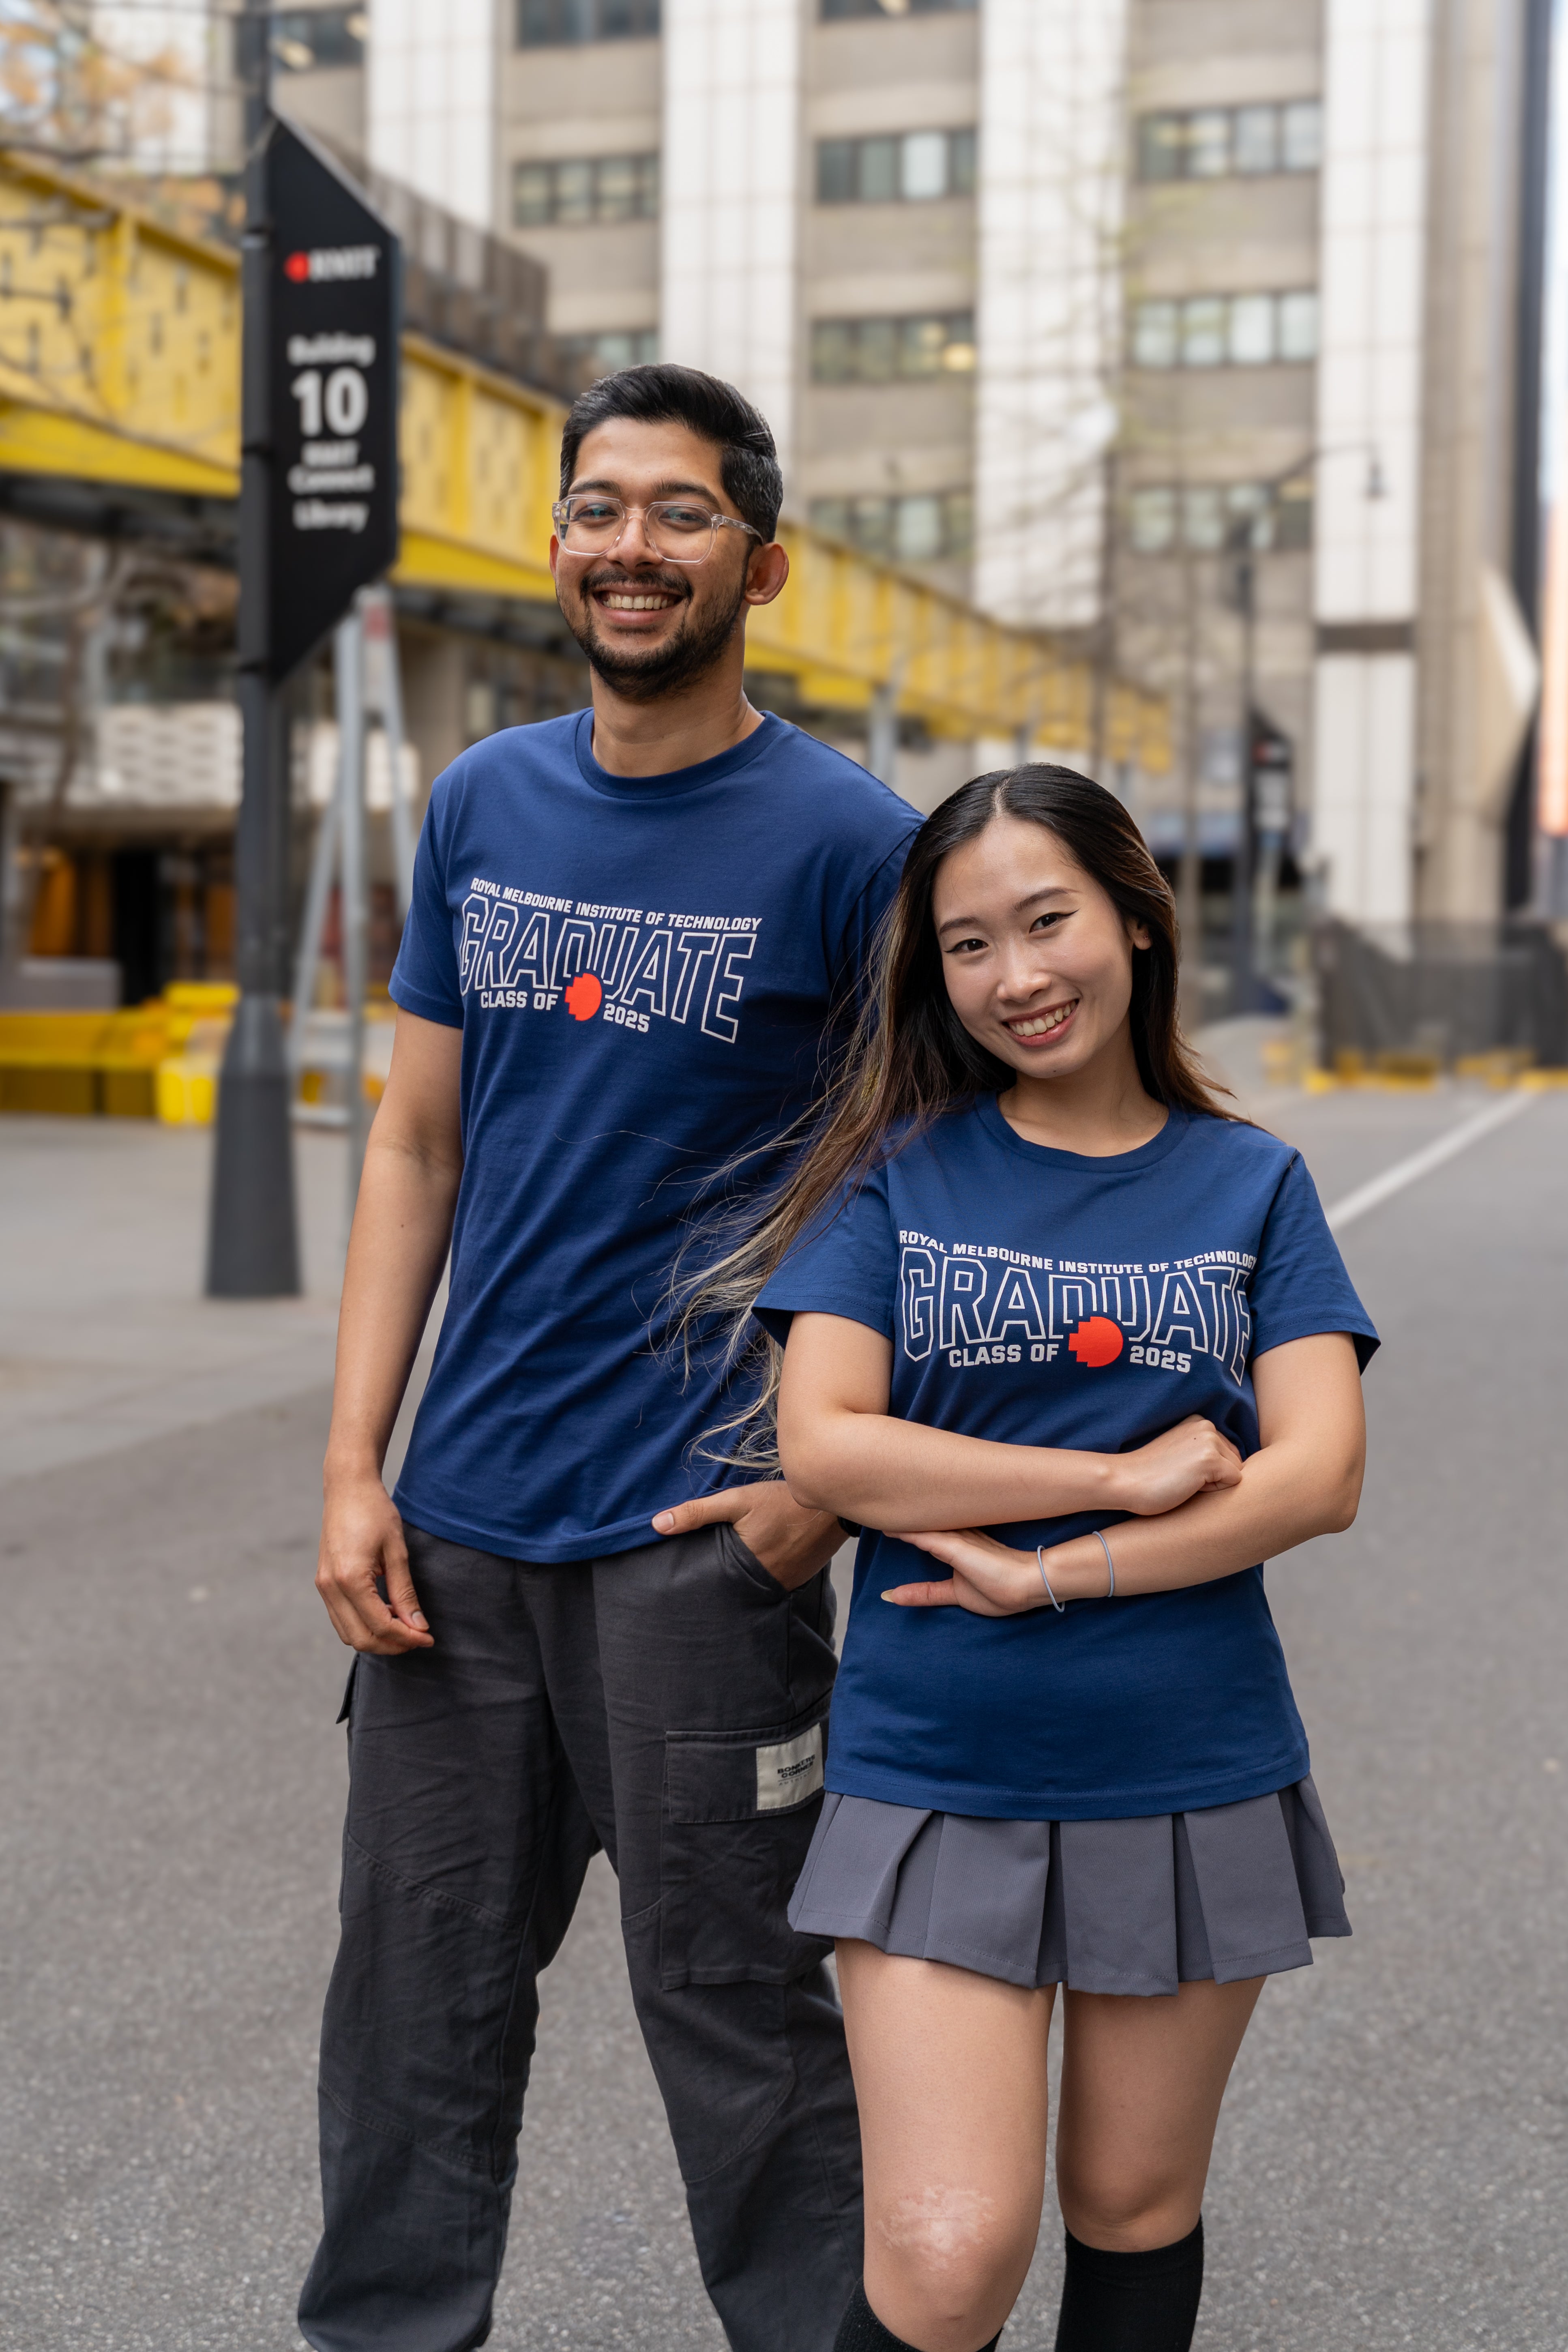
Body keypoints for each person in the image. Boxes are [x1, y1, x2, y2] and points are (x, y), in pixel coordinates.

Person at [299, 364, 920, 2352]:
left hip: (693, 1535)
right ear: (554, 544)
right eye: (595, 509)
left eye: (674, 512)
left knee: (734, 2010)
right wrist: (350, 1467)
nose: (626, 548)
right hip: (458, 1534)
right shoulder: (483, 798)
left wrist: (815, 1494)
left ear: (764, 561)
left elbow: (927, 1192)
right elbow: (414, 1145)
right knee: (412, 1995)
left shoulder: (853, 842)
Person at [703, 765, 1377, 2352]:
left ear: (1134, 920)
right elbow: (832, 1441)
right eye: (965, 945)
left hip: (1187, 1756)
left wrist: (1057, 1570)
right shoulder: (898, 1173)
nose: (1016, 975)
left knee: (1133, 2207)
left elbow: (1320, 1475)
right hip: (942, 1764)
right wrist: (1111, 1476)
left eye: (1047, 920)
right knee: (947, 2249)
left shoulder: (1251, 1184)